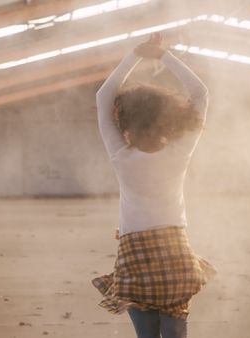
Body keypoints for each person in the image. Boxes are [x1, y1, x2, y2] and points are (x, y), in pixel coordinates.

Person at [92, 33, 216, 338]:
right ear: (172, 119)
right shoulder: (178, 153)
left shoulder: (121, 155)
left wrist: (135, 55)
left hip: (135, 254)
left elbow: (103, 97)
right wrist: (163, 55)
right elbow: (200, 94)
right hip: (175, 251)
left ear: (127, 122)